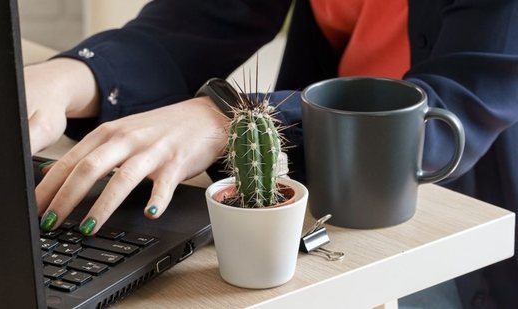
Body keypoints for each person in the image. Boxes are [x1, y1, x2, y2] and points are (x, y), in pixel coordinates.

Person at [27, 0, 518, 307]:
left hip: (457, 229)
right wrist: (73, 76)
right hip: (325, 188)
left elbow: (456, 104)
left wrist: (226, 118)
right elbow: (207, 15)